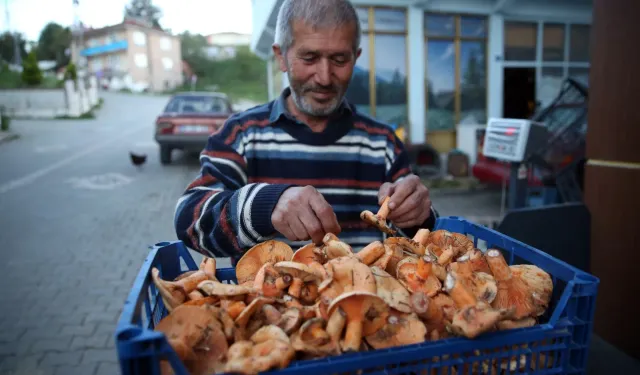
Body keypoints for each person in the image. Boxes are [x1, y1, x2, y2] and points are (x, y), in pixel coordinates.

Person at [174, 0, 438, 262]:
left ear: (355, 58)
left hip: (368, 300)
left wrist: (418, 214)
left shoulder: (384, 144)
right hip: (266, 300)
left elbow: (421, 240)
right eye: (309, 58)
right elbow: (190, 220)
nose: (324, 77)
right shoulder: (242, 135)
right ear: (281, 56)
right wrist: (265, 206)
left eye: (339, 59)